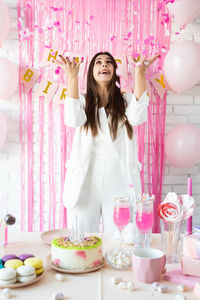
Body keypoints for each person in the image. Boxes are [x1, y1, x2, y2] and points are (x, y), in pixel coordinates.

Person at [55, 52, 159, 233]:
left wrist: (140, 74)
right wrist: (72, 77)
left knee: (122, 237)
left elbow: (138, 117)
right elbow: (73, 120)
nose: (104, 65)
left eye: (109, 62)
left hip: (119, 179)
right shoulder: (81, 100)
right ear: (91, 71)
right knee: (81, 237)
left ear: (114, 70)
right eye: (99, 62)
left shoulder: (125, 101)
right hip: (85, 181)